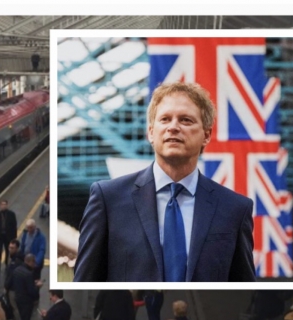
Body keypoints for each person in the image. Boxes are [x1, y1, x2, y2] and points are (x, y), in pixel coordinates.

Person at [74, 81, 255, 282]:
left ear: (206, 135)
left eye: (185, 120)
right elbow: (85, 281)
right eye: (165, 119)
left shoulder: (234, 209)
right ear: (151, 133)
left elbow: (243, 287)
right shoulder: (108, 199)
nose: (173, 127)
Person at [8, 254, 42, 320]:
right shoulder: (29, 274)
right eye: (33, 262)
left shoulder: (17, 270)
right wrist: (38, 286)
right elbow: (32, 292)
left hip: (18, 298)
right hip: (26, 301)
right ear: (29, 261)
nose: (34, 264)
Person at [0, 200, 18, 274]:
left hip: (8, 236)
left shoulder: (11, 214)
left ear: (7, 205)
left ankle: (7, 264)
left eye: (5, 204)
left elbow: (14, 226)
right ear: (0, 206)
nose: (3, 206)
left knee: (8, 251)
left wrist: (14, 237)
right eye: (2, 204)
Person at [3, 239, 22, 320]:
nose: (10, 249)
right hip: (14, 288)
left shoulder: (16, 261)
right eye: (9, 247)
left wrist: (6, 286)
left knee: (15, 309)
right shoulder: (15, 258)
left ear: (17, 248)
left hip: (13, 289)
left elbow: (11, 275)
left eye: (12, 248)